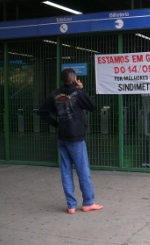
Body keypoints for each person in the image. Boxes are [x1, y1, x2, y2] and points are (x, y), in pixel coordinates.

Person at [38, 68, 103, 214]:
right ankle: (88, 203)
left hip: (62, 137)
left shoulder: (54, 94)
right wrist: (82, 89)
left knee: (66, 171)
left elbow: (42, 112)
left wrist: (56, 124)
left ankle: (71, 205)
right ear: (74, 79)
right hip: (76, 138)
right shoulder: (78, 93)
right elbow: (92, 106)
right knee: (83, 171)